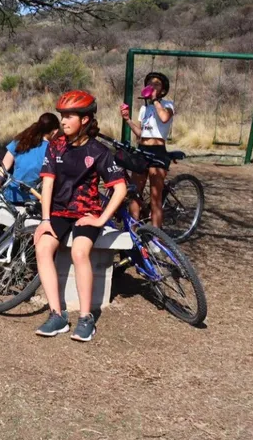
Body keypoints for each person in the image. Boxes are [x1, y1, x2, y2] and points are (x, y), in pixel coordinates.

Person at [34, 91, 127, 342]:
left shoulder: (98, 151)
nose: (63, 121)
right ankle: (57, 315)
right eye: (62, 115)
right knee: (42, 248)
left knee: (79, 251)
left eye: (69, 116)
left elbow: (120, 188)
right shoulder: (56, 144)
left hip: (86, 212)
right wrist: (44, 220)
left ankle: (86, 318)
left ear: (85, 119)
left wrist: (100, 220)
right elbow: (48, 182)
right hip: (59, 211)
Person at [120, 71, 174, 228]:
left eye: (156, 84)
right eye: (150, 84)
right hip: (142, 149)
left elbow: (164, 118)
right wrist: (127, 120)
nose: (152, 86)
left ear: (163, 90)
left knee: (155, 197)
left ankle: (156, 238)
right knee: (135, 193)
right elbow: (140, 134)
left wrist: (155, 100)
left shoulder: (167, 105)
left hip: (158, 151)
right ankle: (133, 231)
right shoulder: (144, 110)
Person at [0, 112, 60, 203]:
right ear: (55, 132)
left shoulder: (20, 141)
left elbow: (3, 169)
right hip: (33, 199)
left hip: (10, 195)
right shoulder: (53, 150)